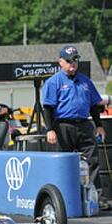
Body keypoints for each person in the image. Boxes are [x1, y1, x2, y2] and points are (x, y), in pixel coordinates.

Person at [42, 44, 107, 208]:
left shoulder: (85, 81)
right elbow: (48, 108)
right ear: (61, 62)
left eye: (75, 61)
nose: (73, 64)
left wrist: (98, 125)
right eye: (69, 61)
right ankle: (59, 198)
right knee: (61, 161)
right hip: (62, 125)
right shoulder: (53, 82)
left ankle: (94, 196)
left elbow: (94, 105)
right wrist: (50, 129)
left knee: (92, 159)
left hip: (83, 124)